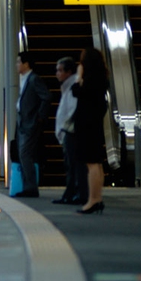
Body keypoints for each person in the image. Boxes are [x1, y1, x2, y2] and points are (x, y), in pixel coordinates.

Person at [72, 48, 109, 214]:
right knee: (97, 163)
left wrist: (78, 76)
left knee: (91, 163)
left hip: (87, 126)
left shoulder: (90, 81)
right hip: (94, 125)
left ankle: (93, 200)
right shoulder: (101, 79)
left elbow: (76, 92)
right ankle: (97, 198)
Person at [14, 52, 52, 196]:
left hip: (30, 123)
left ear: (26, 64)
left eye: (19, 62)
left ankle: (30, 187)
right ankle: (27, 186)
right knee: (23, 154)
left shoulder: (33, 79)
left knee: (25, 154)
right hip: (23, 122)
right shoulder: (24, 79)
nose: (17, 65)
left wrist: (40, 117)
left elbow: (46, 96)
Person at [53, 56, 86, 205]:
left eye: (60, 70)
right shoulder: (68, 86)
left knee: (73, 165)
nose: (57, 74)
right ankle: (73, 192)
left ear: (69, 72)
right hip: (69, 131)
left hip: (71, 131)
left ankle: (75, 193)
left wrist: (64, 128)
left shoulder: (72, 86)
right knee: (72, 165)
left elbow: (71, 110)